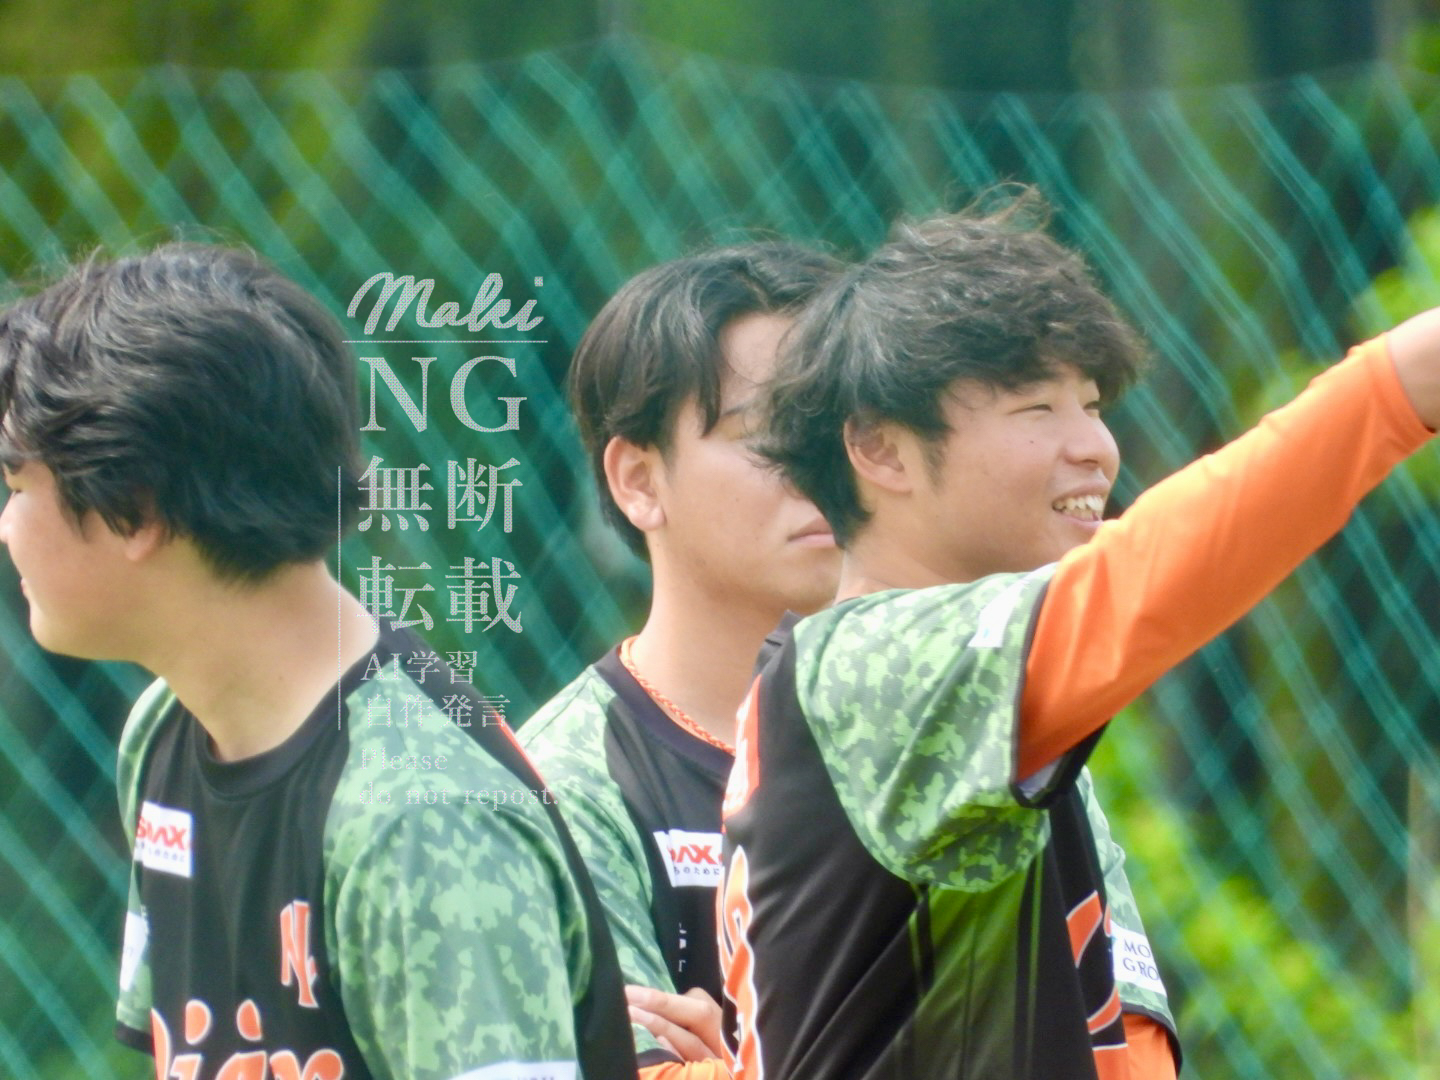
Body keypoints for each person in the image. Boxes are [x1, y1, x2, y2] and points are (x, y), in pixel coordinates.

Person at [718, 195, 1440, 1080]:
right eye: (1037, 409)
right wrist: (1399, 387)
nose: (1095, 446)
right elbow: (1146, 577)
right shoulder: (867, 667)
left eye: (1092, 404)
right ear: (880, 449)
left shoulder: (980, 702)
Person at [0, 244, 636, 1079]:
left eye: (19, 486)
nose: (6, 526)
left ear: (136, 507)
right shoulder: (165, 730)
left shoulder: (417, 821)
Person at [520, 244, 842, 1078]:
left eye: (844, 427)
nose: (824, 468)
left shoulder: (973, 725)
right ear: (638, 480)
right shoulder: (562, 784)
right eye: (773, 433)